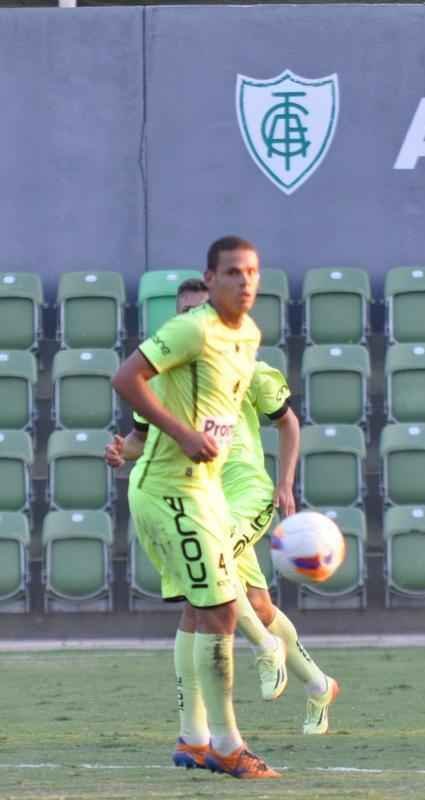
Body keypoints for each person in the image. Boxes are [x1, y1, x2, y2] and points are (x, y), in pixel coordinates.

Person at [107, 279, 340, 738]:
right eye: (186, 313)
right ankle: (318, 684)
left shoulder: (247, 367)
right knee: (257, 603)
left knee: (215, 587)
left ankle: (262, 649)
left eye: (202, 310)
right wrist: (122, 453)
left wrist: (286, 483)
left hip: (247, 489)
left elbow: (289, 424)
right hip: (201, 497)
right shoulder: (165, 379)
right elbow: (139, 440)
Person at [111, 237, 278, 779]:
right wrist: (181, 435)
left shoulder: (248, 335)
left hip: (202, 488)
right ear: (211, 278)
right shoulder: (191, 328)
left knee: (203, 609)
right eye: (233, 272)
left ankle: (194, 740)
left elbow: (215, 414)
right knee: (224, 609)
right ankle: (228, 746)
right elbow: (125, 378)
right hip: (169, 488)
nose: (245, 281)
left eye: (252, 271)